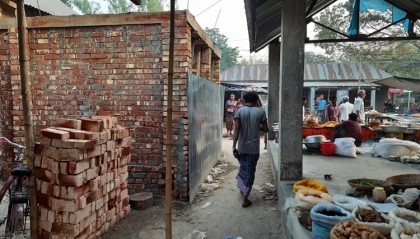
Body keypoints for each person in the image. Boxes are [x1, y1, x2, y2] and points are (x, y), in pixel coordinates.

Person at [233, 92, 268, 208]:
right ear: (256, 100)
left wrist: (234, 146)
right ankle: (245, 199)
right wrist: (258, 126)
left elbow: (237, 129)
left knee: (243, 168)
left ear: (244, 100)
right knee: (250, 172)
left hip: (242, 148)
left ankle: (243, 190)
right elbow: (266, 129)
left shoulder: (239, 111)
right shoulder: (260, 112)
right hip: (253, 149)